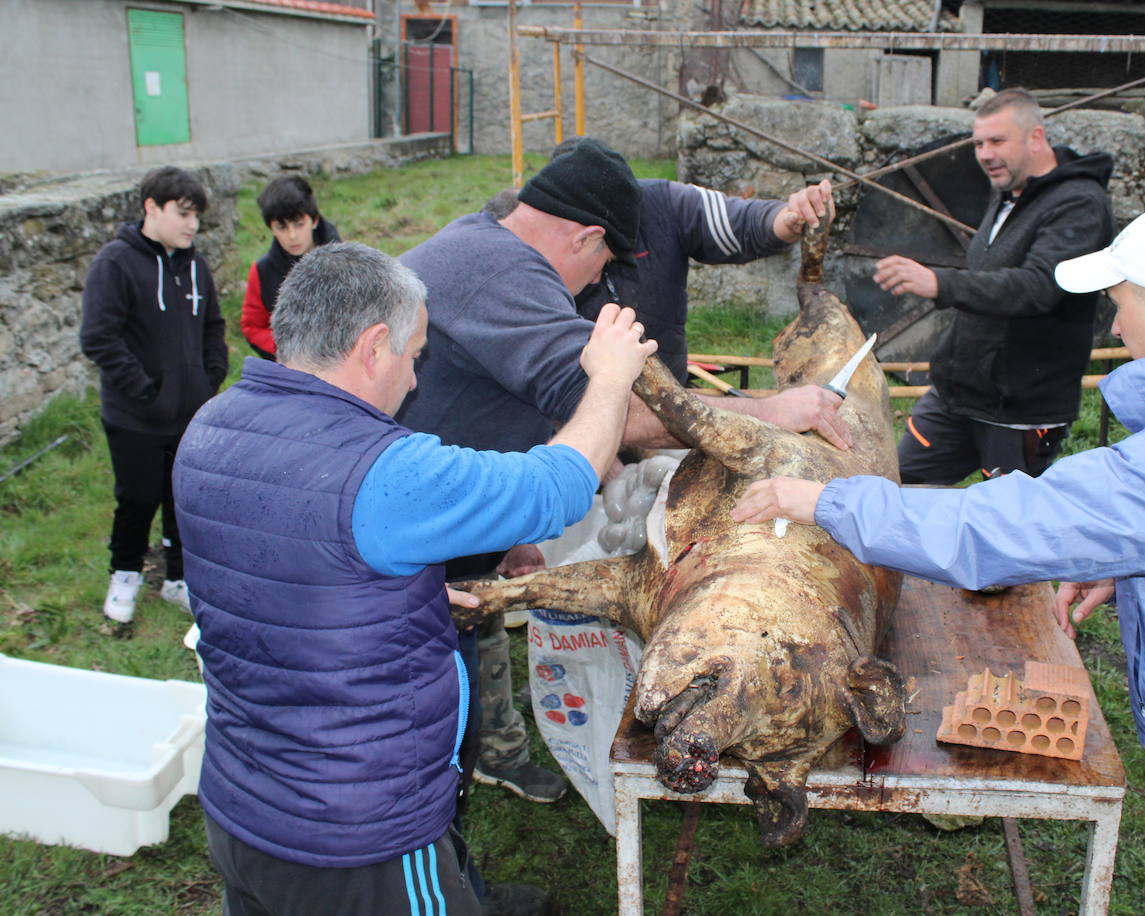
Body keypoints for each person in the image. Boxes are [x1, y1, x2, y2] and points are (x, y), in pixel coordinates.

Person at [733, 203, 1145, 915]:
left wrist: (827, 500)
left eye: (1120, 302)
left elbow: (1007, 526)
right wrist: (1128, 558)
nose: (1113, 323)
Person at [173, 241, 656, 916]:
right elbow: (556, 488)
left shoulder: (210, 431)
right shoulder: (384, 473)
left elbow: (278, 575)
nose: (415, 379)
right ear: (374, 346)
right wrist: (608, 379)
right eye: (413, 354)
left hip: (242, 809)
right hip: (363, 843)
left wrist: (403, 596)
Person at [396, 139, 851, 809]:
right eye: (604, 265)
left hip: (432, 531)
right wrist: (770, 411)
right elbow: (618, 408)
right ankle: (428, 852)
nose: (593, 287)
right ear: (584, 237)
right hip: (400, 555)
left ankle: (448, 833)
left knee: (441, 721)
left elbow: (504, 407)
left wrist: (501, 533)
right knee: (419, 734)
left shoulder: (478, 247)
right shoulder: (506, 275)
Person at [873, 87, 1115, 484]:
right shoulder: (1006, 192)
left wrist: (939, 282)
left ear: (1035, 138)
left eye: (997, 141)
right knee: (896, 490)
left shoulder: (1079, 203)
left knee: (1007, 527)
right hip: (956, 397)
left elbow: (1039, 287)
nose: (985, 154)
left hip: (1022, 409)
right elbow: (991, 278)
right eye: (979, 143)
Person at [486, 136, 834, 382]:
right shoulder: (533, 238)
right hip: (574, 403)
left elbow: (743, 224)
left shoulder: (662, 204)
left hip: (669, 400)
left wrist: (788, 219)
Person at [79, 165, 227, 624]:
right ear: (151, 207)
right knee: (138, 497)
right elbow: (99, 337)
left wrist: (210, 378)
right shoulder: (115, 263)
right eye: (182, 213)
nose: (192, 225)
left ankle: (177, 578)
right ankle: (124, 574)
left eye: (196, 216)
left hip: (188, 415)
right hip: (135, 416)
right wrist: (145, 390)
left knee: (182, 498)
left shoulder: (196, 265)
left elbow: (213, 328)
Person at [240, 174, 342, 359]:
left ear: (314, 220)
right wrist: (291, 351)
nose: (292, 235)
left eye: (299, 224)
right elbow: (252, 326)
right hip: (293, 366)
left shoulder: (346, 260)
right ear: (271, 228)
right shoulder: (262, 271)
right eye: (282, 227)